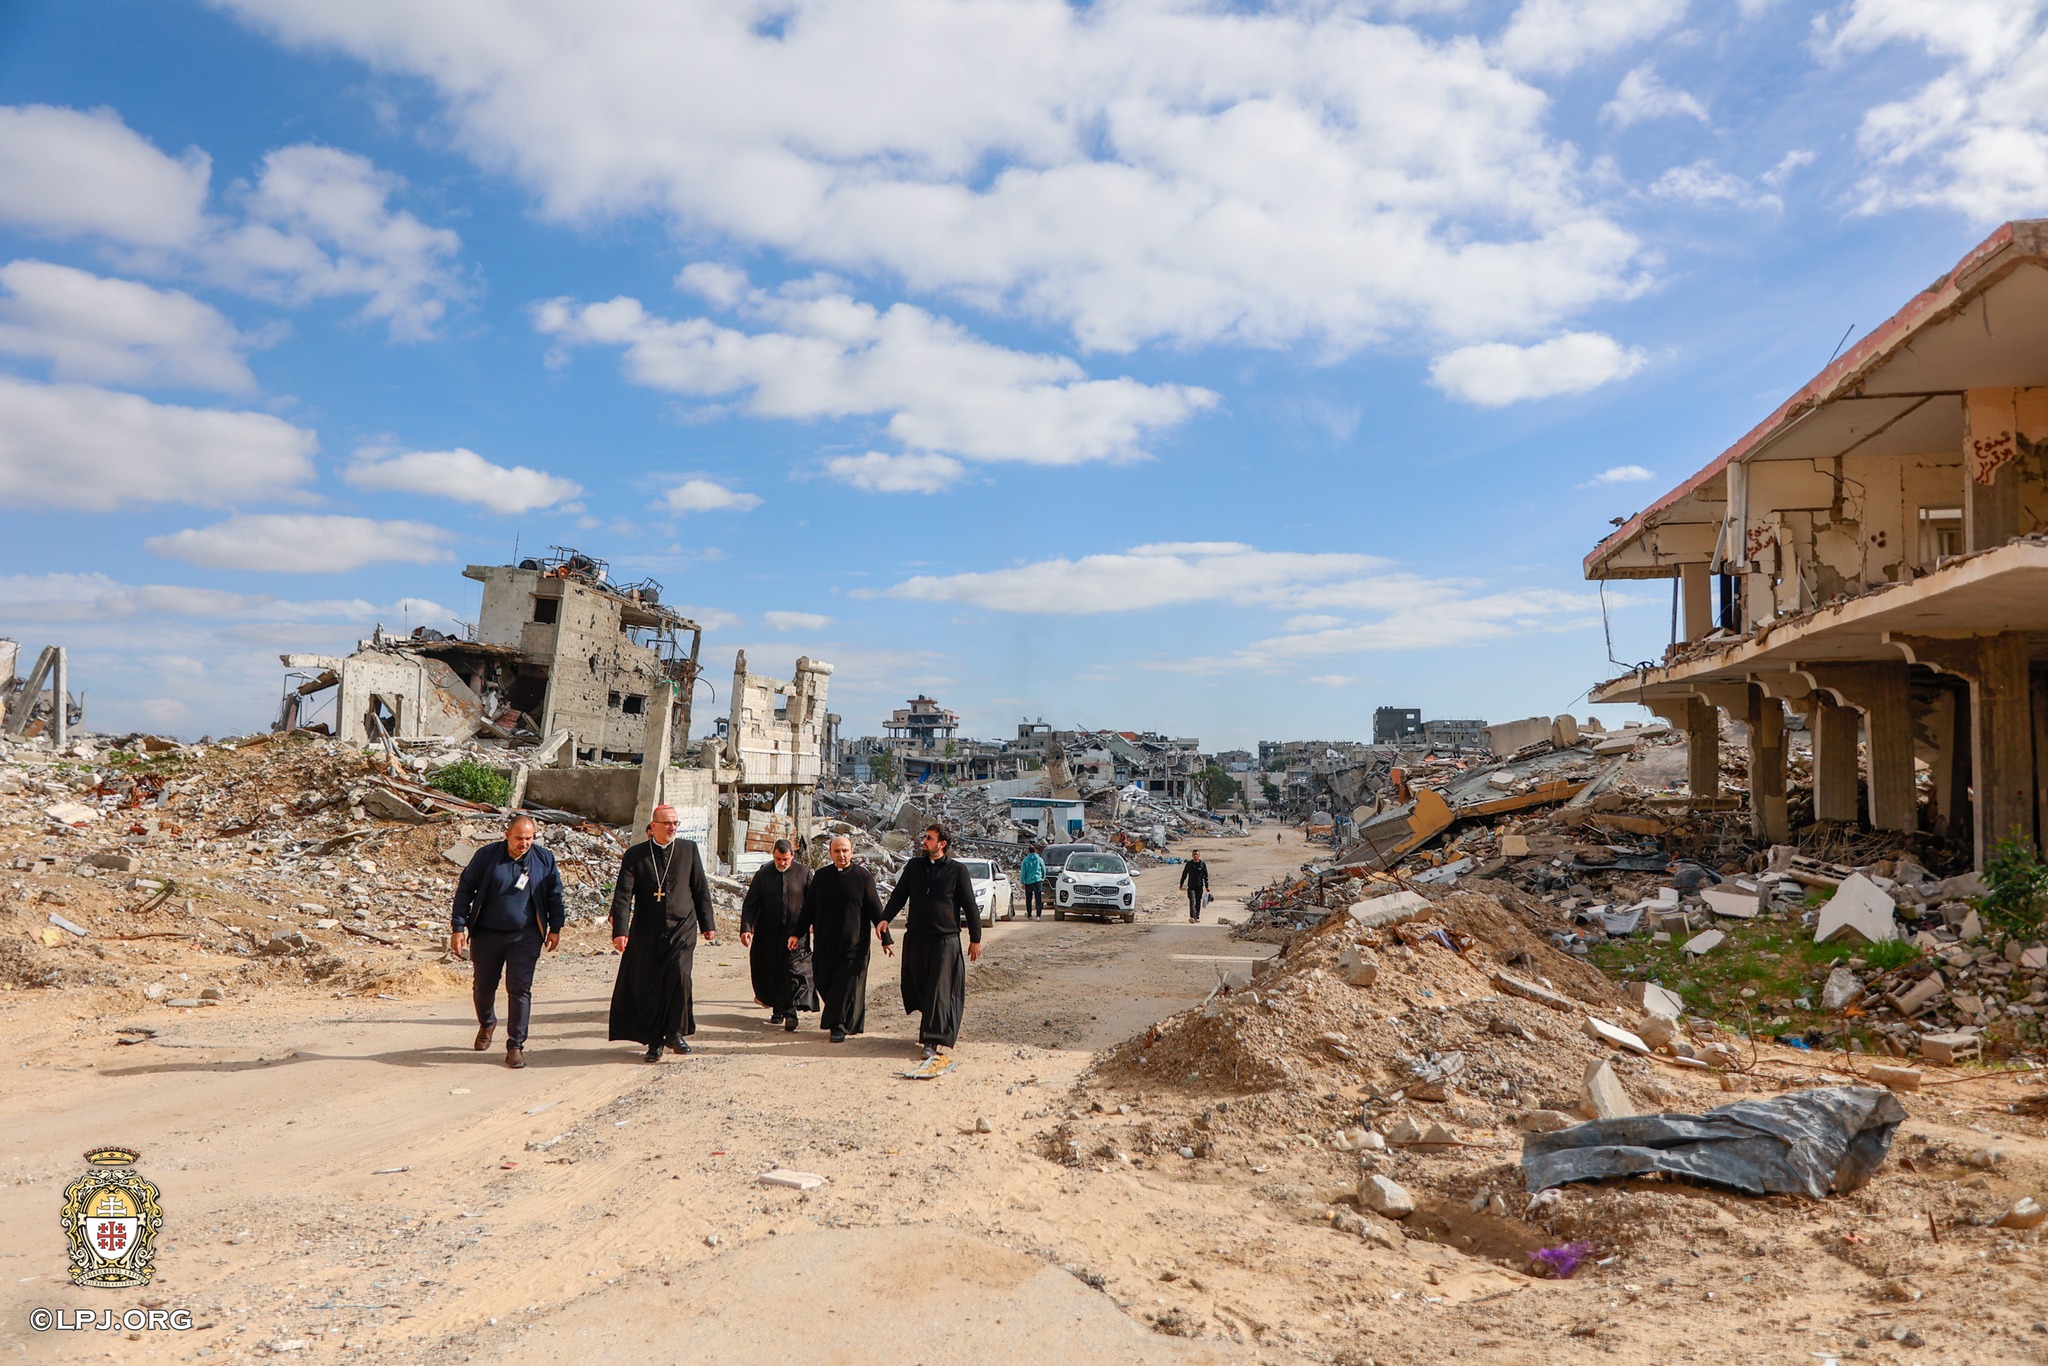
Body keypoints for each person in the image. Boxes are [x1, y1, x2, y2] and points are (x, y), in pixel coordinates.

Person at [450, 812, 565, 1069]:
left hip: (525, 936)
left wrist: (555, 927)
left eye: (529, 838)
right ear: (506, 835)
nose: (524, 843)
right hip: (487, 934)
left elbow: (555, 894)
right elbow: (465, 889)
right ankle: (487, 1022)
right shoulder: (487, 856)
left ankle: (515, 1045)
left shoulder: (543, 859)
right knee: (483, 986)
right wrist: (459, 926)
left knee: (519, 989)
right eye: (518, 838)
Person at [607, 804, 715, 1063]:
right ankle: (654, 1041)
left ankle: (675, 1033)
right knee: (650, 984)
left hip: (683, 927)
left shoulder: (688, 850)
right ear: (653, 826)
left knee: (679, 975)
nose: (672, 828)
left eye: (675, 823)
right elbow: (623, 894)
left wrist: (707, 924)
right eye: (667, 823)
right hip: (647, 930)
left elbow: (700, 888)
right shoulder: (636, 855)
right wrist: (620, 930)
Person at [880, 823, 981, 1060]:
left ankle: (931, 1039)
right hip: (916, 938)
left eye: (929, 838)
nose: (923, 841)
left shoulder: (957, 871)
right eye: (925, 837)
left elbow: (970, 906)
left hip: (945, 941)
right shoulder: (915, 866)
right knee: (919, 985)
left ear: (942, 844)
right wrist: (885, 918)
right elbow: (899, 894)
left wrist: (975, 939)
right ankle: (932, 1025)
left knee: (938, 989)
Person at [791, 835, 890, 1042]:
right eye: (837, 851)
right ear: (831, 853)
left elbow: (876, 911)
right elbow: (808, 908)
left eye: (845, 850)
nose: (841, 855)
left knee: (844, 985)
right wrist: (796, 933)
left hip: (854, 945)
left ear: (852, 852)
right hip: (826, 943)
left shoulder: (863, 877)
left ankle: (836, 1026)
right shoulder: (821, 876)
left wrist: (886, 939)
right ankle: (845, 1019)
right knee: (823, 982)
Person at [741, 837, 812, 1031]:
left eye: (785, 860)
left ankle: (791, 1012)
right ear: (773, 855)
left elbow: (814, 903)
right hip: (768, 934)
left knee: (792, 971)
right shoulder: (763, 874)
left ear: (793, 856)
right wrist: (746, 928)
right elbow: (750, 905)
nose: (782, 863)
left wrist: (814, 923)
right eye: (778, 859)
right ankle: (778, 1008)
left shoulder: (803, 874)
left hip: (796, 934)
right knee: (772, 971)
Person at [1179, 849, 1210, 923]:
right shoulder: (1189, 864)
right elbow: (1184, 874)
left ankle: (1197, 916)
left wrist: (1207, 886)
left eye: (1196, 855)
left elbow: (1205, 876)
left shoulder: (1202, 864)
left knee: (1198, 901)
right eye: (1194, 855)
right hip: (1191, 886)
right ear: (1192, 856)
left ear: (1199, 856)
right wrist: (1181, 884)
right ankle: (1192, 916)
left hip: (1199, 886)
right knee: (1192, 900)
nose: (1195, 856)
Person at [1018, 843, 1047, 919]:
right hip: (1038, 881)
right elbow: (1043, 870)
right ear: (1036, 851)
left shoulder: (1026, 860)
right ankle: (1038, 916)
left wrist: (1022, 882)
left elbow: (1023, 872)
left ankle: (1029, 915)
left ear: (1028, 851)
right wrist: (1043, 877)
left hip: (1028, 882)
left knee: (1028, 899)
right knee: (1038, 899)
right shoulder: (1040, 859)